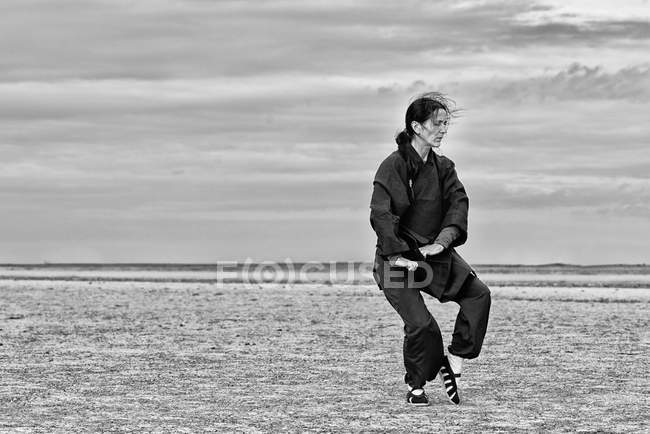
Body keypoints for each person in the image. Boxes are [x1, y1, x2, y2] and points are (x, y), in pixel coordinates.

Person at [369, 92, 491, 406]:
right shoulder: (392, 166)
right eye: (437, 124)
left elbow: (458, 205)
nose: (443, 130)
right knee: (422, 325)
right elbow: (380, 214)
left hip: (432, 255)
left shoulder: (444, 167)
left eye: (446, 124)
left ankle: (455, 360)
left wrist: (443, 241)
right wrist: (397, 256)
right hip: (393, 261)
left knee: (478, 295)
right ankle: (416, 388)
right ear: (416, 126)